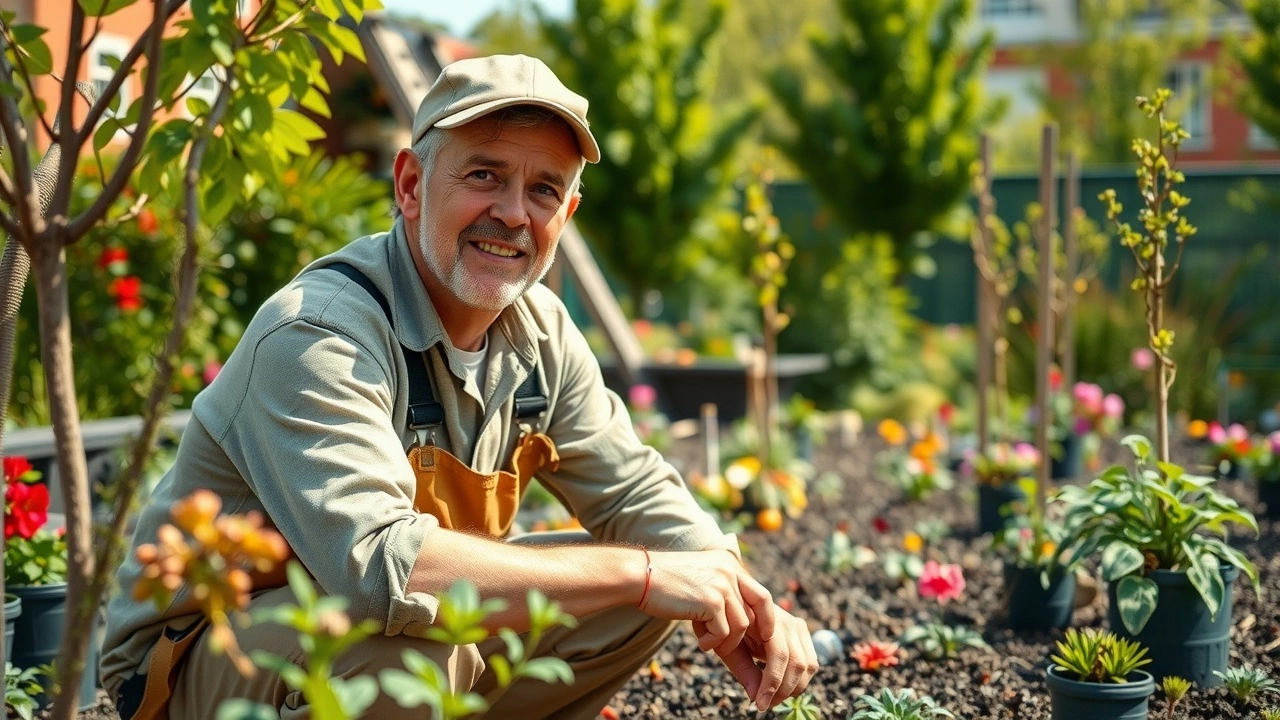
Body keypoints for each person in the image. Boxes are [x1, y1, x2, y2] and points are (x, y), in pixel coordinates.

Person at [101, 54, 817, 719]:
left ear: (564, 217)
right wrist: (642, 571)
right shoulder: (320, 332)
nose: (514, 212)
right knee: (415, 649)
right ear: (411, 185)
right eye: (484, 175)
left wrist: (732, 587)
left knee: (644, 594)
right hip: (199, 661)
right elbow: (383, 570)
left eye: (544, 190)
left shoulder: (541, 330)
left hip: (387, 634)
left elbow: (632, 491)